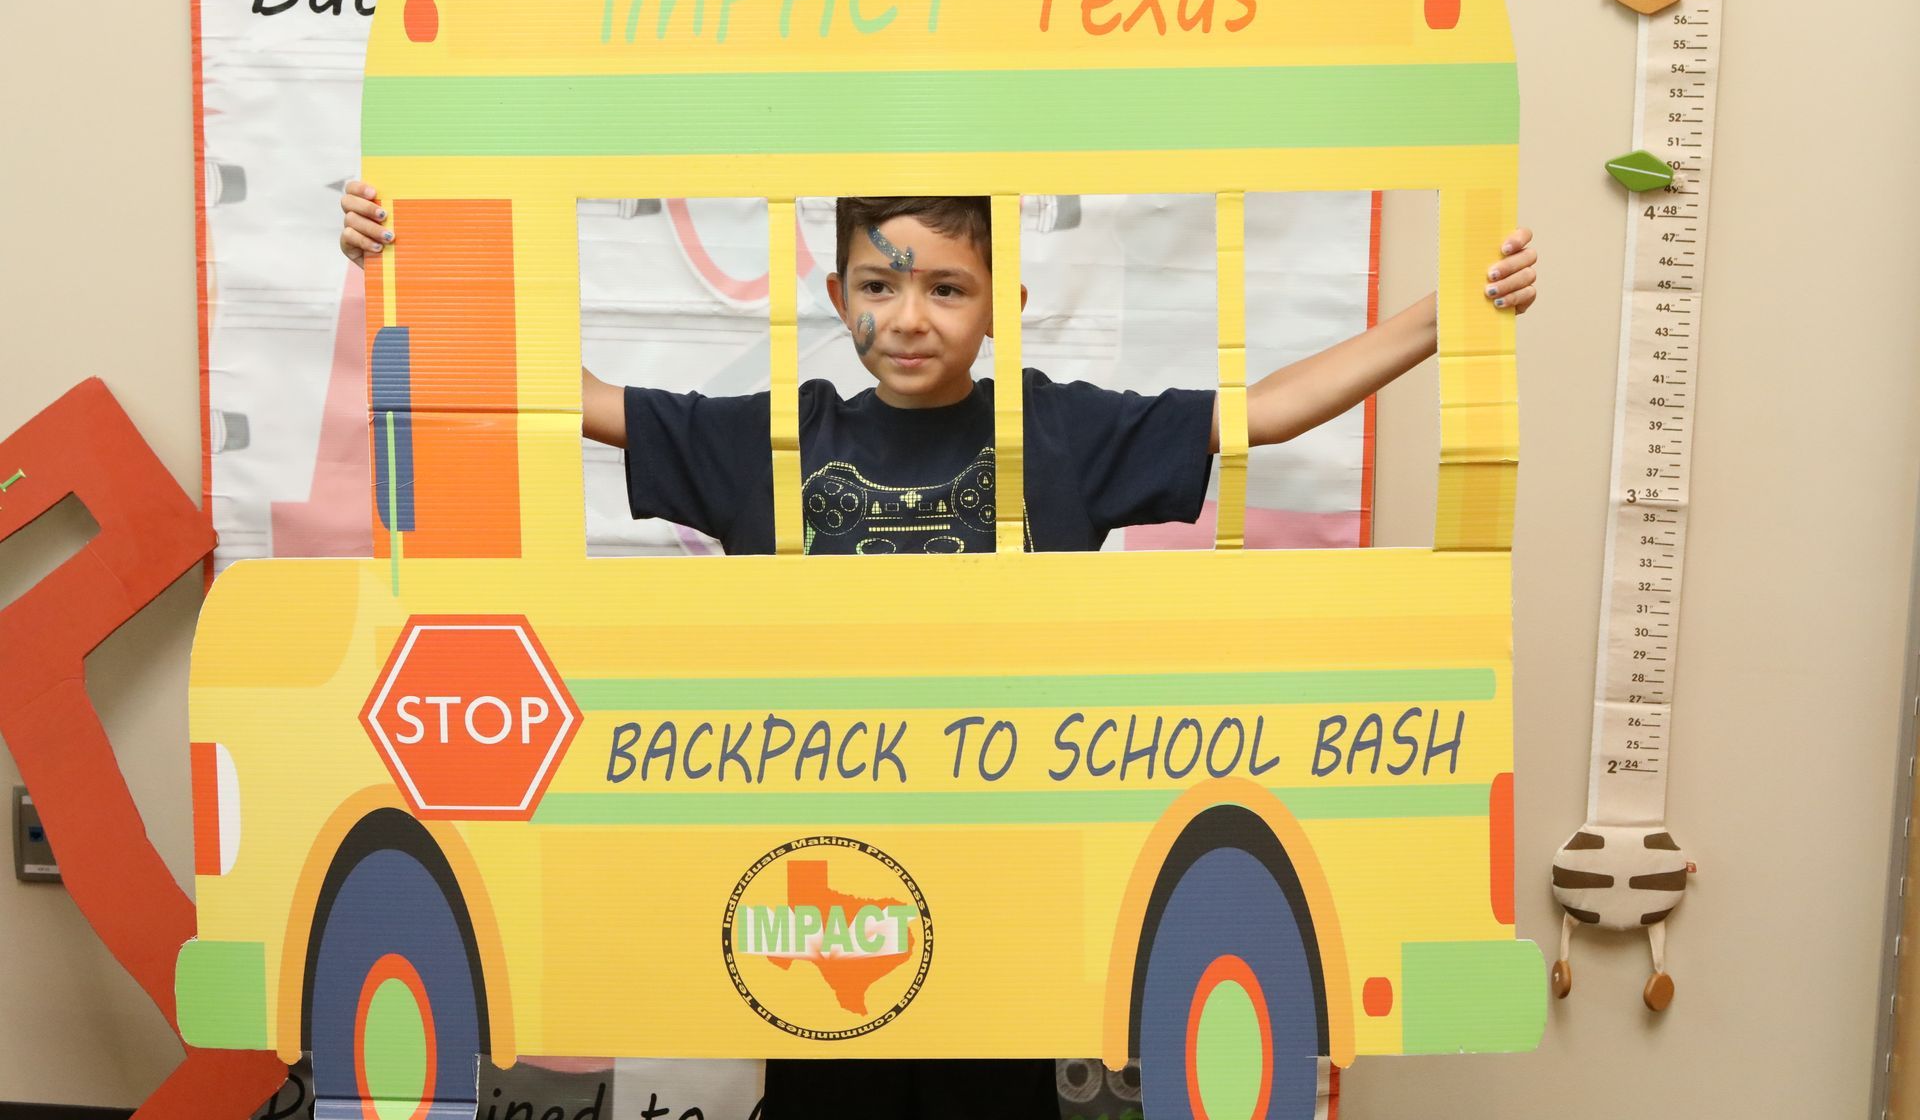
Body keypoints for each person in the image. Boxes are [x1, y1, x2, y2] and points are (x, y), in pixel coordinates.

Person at [338, 186, 1539, 1116]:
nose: (909, 318)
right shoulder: (776, 440)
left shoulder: (1061, 433)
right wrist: (409, 276)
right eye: (879, 284)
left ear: (1001, 301)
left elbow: (1261, 409)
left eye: (947, 289)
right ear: (838, 288)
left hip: (1007, 898)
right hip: (819, 893)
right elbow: (566, 393)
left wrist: (1446, 314)